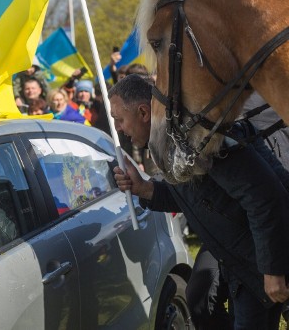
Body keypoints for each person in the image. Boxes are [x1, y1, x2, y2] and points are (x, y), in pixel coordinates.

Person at [109, 74, 289, 329]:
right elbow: (197, 198)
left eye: (119, 119)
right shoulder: (173, 143)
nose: (117, 128)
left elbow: (264, 199)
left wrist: (273, 270)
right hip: (243, 267)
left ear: (143, 112)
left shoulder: (200, 136)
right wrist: (145, 189)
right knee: (201, 300)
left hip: (265, 258)